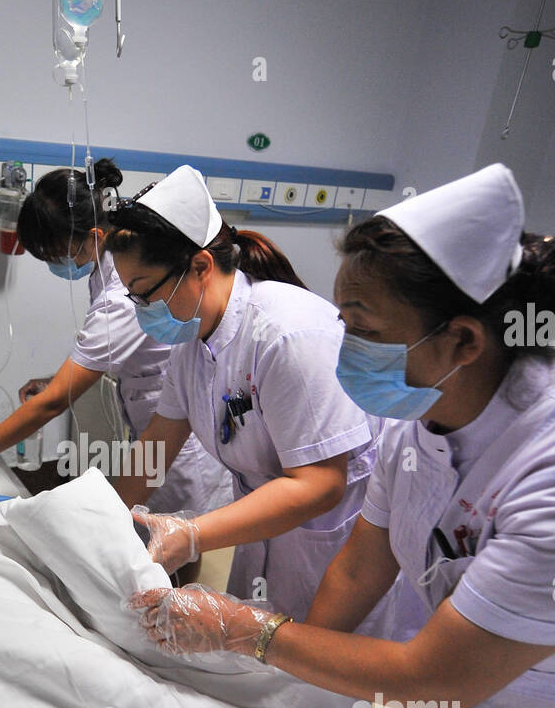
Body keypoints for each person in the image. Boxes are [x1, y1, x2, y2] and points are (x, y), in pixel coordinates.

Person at [131, 164, 555, 708]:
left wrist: (249, 631)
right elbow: (359, 568)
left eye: (364, 331)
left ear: (464, 341)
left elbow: (432, 677)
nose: (341, 348)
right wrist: (288, 696)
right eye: (342, 321)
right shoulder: (416, 427)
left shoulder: (542, 473)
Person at [105, 165, 410, 633]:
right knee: (260, 659)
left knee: (317, 666)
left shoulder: (288, 335)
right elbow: (157, 444)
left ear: (200, 267)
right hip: (269, 541)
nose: (141, 310)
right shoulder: (192, 343)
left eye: (145, 293)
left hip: (336, 547)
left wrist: (192, 534)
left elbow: (320, 484)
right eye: (133, 297)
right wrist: (102, 519)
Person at [0, 160, 232, 519]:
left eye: (60, 255)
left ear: (94, 237)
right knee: (154, 520)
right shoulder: (107, 268)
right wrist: (53, 380)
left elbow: (54, 403)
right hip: (154, 417)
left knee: (181, 525)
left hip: (180, 437)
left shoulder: (121, 293)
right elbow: (104, 352)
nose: (57, 265)